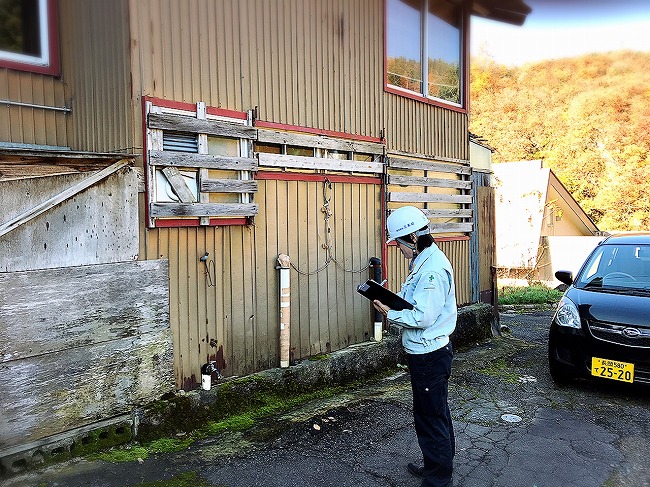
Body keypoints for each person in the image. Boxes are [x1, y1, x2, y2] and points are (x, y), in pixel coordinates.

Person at [373, 206, 457, 487]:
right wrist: (392, 299)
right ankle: (436, 467)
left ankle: (437, 480)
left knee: (431, 418)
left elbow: (423, 316)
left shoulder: (431, 270)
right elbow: (414, 301)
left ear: (412, 238)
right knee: (435, 413)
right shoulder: (424, 261)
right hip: (427, 352)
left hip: (429, 355)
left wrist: (389, 313)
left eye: (398, 243)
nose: (399, 249)